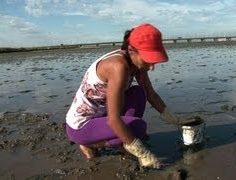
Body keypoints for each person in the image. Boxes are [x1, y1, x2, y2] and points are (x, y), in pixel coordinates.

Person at [65, 23, 195, 169]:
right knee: (139, 128)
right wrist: (142, 152)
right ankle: (89, 144)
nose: (151, 67)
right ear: (131, 50)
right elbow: (114, 120)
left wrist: (174, 118)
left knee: (139, 93)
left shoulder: (136, 61)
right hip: (81, 126)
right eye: (148, 60)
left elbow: (150, 94)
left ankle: (123, 143)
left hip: (102, 114)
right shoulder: (117, 66)